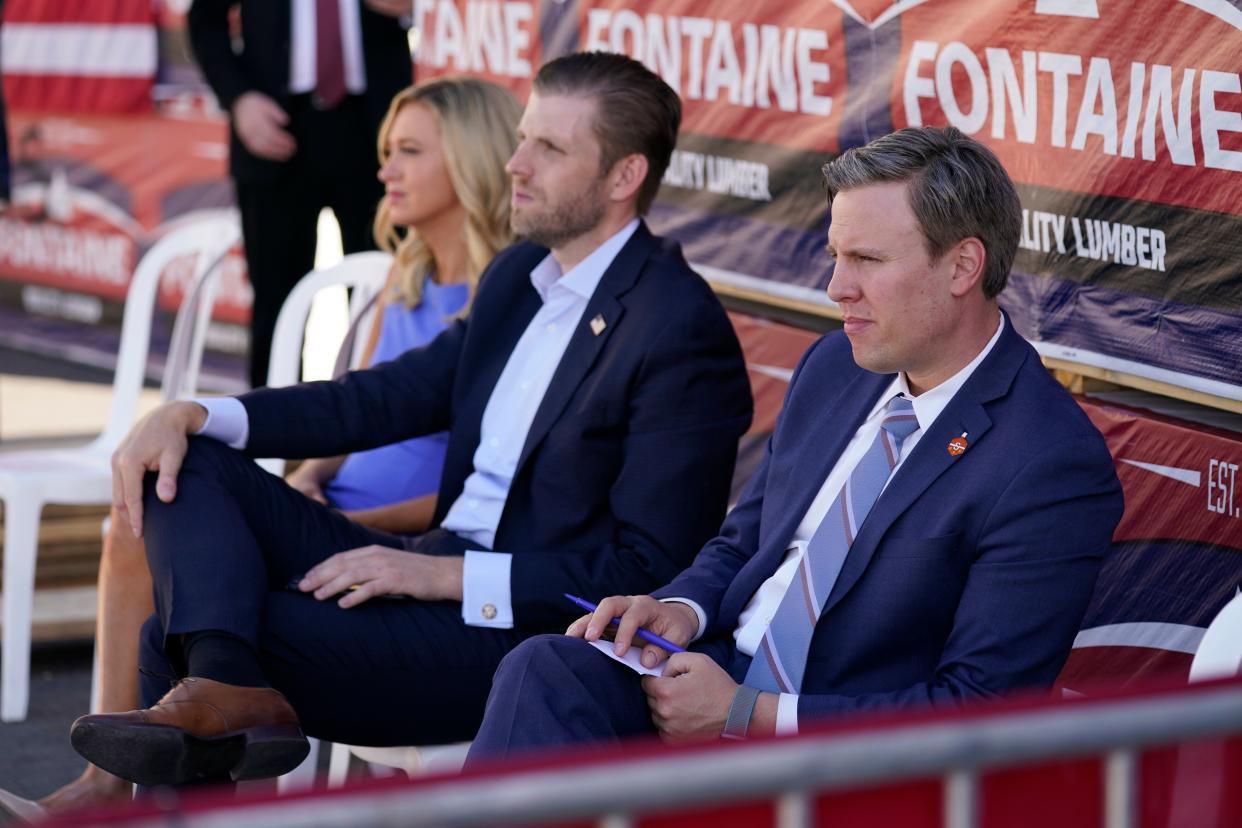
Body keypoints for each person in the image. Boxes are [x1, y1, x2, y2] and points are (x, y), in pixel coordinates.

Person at [69, 52, 753, 787]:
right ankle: (227, 685)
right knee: (194, 456)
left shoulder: (678, 326)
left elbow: (647, 571)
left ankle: (225, 689)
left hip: (521, 629)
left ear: (624, 178)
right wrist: (198, 411)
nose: (516, 164)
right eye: (523, 138)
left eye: (549, 149)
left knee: (166, 636)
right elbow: (377, 399)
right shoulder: (520, 277)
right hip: (432, 567)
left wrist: (441, 575)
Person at [465, 126, 1126, 759]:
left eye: (866, 259)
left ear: (962, 266)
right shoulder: (837, 365)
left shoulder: (1049, 462)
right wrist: (677, 610)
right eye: (836, 255)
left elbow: (978, 708)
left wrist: (746, 718)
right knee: (544, 669)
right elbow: (745, 539)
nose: (837, 288)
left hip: (831, 750)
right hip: (709, 678)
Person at [37, 76, 521, 812]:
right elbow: (351, 406)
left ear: (475, 163)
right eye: (385, 150)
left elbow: (481, 486)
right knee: (152, 493)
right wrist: (305, 481)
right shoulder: (401, 275)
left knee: (173, 522)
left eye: (410, 152)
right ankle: (129, 764)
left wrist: (368, 524)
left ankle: (141, 768)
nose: (384, 167)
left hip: (406, 541)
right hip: (326, 515)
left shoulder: (508, 299)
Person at [187, 0, 412, 390]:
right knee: (277, 304)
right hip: (275, 129)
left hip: (375, 129)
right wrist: (239, 98)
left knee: (382, 295)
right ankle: (271, 437)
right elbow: (204, 20)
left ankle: (376, 437)